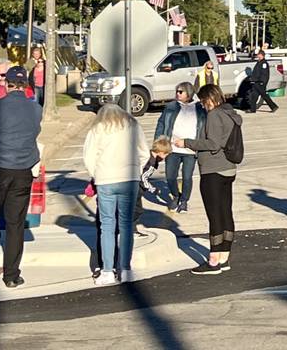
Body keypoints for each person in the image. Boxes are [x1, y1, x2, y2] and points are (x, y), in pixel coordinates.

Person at [0, 66, 42, 289]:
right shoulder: (35, 109)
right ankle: (12, 275)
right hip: (23, 169)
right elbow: (34, 132)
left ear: (7, 83)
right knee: (15, 223)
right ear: (26, 86)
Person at [178, 82, 243, 274]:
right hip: (228, 169)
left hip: (213, 170)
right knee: (225, 212)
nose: (202, 104)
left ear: (209, 98)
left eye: (203, 100)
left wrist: (187, 143)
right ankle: (224, 256)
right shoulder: (230, 113)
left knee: (214, 215)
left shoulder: (214, 115)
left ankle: (213, 260)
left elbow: (213, 143)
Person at [84, 103, 151, 284]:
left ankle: (107, 270)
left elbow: (89, 156)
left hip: (106, 179)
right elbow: (144, 153)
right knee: (126, 225)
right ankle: (125, 268)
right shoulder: (133, 125)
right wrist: (136, 169)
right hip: (129, 178)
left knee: (107, 225)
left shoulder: (98, 128)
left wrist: (95, 174)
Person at [155, 82, 206, 212]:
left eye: (181, 92)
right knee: (170, 176)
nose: (178, 94)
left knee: (187, 177)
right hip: (172, 148)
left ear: (189, 93)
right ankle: (176, 196)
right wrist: (159, 141)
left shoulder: (200, 107)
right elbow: (161, 123)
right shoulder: (171, 106)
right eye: (177, 91)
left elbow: (205, 126)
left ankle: (184, 200)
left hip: (190, 149)